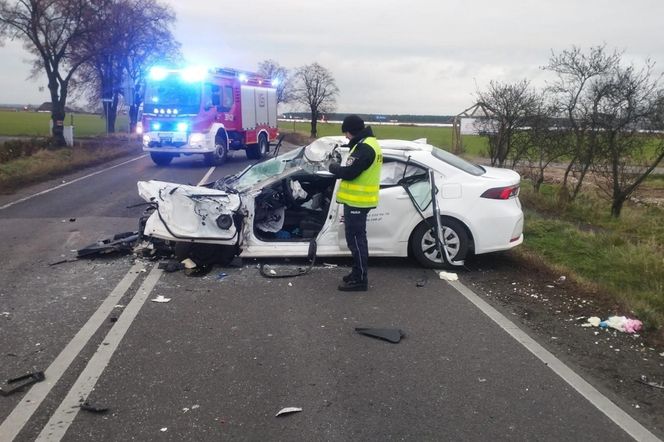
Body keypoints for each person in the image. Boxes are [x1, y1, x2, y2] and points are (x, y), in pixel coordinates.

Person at [328, 115, 383, 291]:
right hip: (358, 202)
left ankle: (360, 280)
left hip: (358, 203)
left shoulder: (365, 148)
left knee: (356, 241)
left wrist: (333, 167)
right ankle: (357, 272)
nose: (345, 137)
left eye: (346, 133)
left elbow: (350, 172)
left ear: (352, 131)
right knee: (357, 240)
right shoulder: (367, 144)